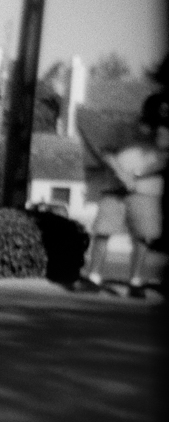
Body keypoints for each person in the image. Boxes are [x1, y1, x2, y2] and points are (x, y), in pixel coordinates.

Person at [74, 96, 168, 298]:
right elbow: (106, 151)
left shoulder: (165, 134)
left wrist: (138, 175)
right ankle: (93, 277)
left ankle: (136, 282)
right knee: (103, 230)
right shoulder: (126, 127)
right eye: (160, 109)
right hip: (115, 186)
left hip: (147, 190)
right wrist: (121, 173)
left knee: (143, 235)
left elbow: (164, 161)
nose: (163, 113)